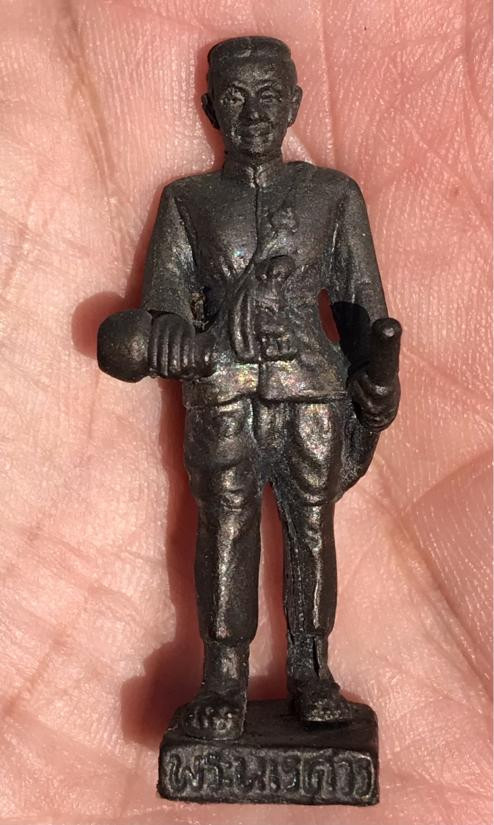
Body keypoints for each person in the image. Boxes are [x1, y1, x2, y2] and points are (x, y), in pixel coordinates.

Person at [134, 35, 401, 740]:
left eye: (270, 96)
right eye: (235, 97)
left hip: (313, 392)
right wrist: (169, 336)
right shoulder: (187, 202)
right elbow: (163, 304)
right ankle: (223, 679)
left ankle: (312, 670)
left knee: (313, 527)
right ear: (209, 109)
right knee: (225, 527)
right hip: (222, 394)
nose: (253, 115)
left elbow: (364, 309)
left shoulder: (332, 196)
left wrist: (379, 380)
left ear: (295, 105)